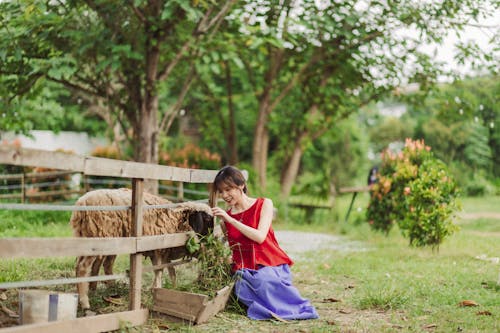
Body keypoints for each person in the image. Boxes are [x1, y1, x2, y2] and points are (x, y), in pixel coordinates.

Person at [211, 165, 319, 321]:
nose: (225, 195)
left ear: (241, 185)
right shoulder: (225, 219)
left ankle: (290, 309)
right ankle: (267, 307)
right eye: (221, 191)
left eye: (228, 189)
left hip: (269, 262)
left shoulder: (264, 204)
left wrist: (231, 220)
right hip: (245, 268)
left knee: (265, 281)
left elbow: (260, 237)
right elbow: (233, 248)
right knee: (241, 287)